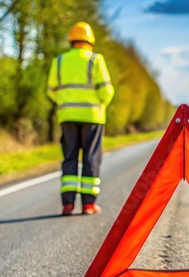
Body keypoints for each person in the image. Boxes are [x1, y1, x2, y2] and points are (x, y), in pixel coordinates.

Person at [47, 22, 114, 215]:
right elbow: (107, 91)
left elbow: (51, 90)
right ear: (90, 41)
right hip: (92, 116)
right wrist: (100, 105)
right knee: (90, 157)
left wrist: (65, 103)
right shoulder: (96, 60)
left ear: (71, 41)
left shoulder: (59, 61)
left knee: (69, 157)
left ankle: (67, 205)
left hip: (67, 116)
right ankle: (88, 205)